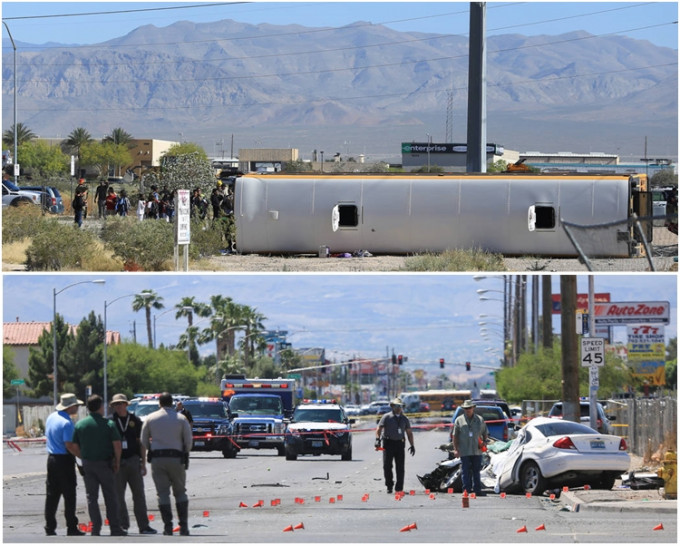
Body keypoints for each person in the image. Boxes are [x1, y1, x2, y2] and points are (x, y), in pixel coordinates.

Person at [71, 394, 126, 537]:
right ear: (100, 407)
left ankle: (96, 528)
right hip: (105, 464)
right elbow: (117, 445)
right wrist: (117, 462)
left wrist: (83, 456)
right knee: (110, 496)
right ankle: (115, 527)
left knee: (92, 497)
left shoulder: (80, 425)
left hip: (88, 464)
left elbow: (73, 445)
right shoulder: (108, 424)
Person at [141, 393, 193, 536]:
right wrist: (184, 451)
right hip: (176, 458)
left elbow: (144, 440)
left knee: (162, 493)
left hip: (158, 459)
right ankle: (183, 526)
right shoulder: (182, 419)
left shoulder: (151, 418)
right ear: (172, 403)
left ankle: (168, 527)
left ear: (159, 403)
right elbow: (189, 441)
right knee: (180, 492)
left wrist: (151, 450)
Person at [109, 394, 157, 535]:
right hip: (117, 462)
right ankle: (123, 524)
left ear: (126, 404)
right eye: (116, 404)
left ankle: (143, 525)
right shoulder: (111, 422)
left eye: (121, 403)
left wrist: (143, 462)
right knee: (118, 495)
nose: (118, 406)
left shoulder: (135, 421)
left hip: (133, 460)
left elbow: (141, 443)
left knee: (139, 495)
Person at [44, 393, 86, 537]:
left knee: (52, 495)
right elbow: (69, 445)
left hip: (52, 459)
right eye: (77, 406)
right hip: (64, 460)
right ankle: (71, 527)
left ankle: (49, 526)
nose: (78, 408)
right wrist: (82, 456)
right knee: (69, 495)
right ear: (71, 407)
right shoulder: (67, 423)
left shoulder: (51, 417)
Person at [376, 397, 415, 494]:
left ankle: (399, 487)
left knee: (400, 467)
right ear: (392, 406)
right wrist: (377, 440)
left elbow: (409, 433)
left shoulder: (404, 419)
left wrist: (412, 445)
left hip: (400, 444)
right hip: (388, 443)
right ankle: (389, 485)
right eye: (396, 406)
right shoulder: (386, 417)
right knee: (387, 466)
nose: (398, 408)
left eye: (400, 406)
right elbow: (379, 429)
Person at [452, 400, 489, 496]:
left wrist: (485, 442)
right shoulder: (459, 420)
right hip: (465, 451)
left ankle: (477, 490)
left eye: (469, 408)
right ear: (464, 409)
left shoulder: (480, 420)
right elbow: (455, 436)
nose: (468, 410)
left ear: (473, 408)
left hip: (477, 451)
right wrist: (456, 449)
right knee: (465, 471)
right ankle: (466, 490)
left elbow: (485, 433)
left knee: (476, 471)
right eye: (466, 408)